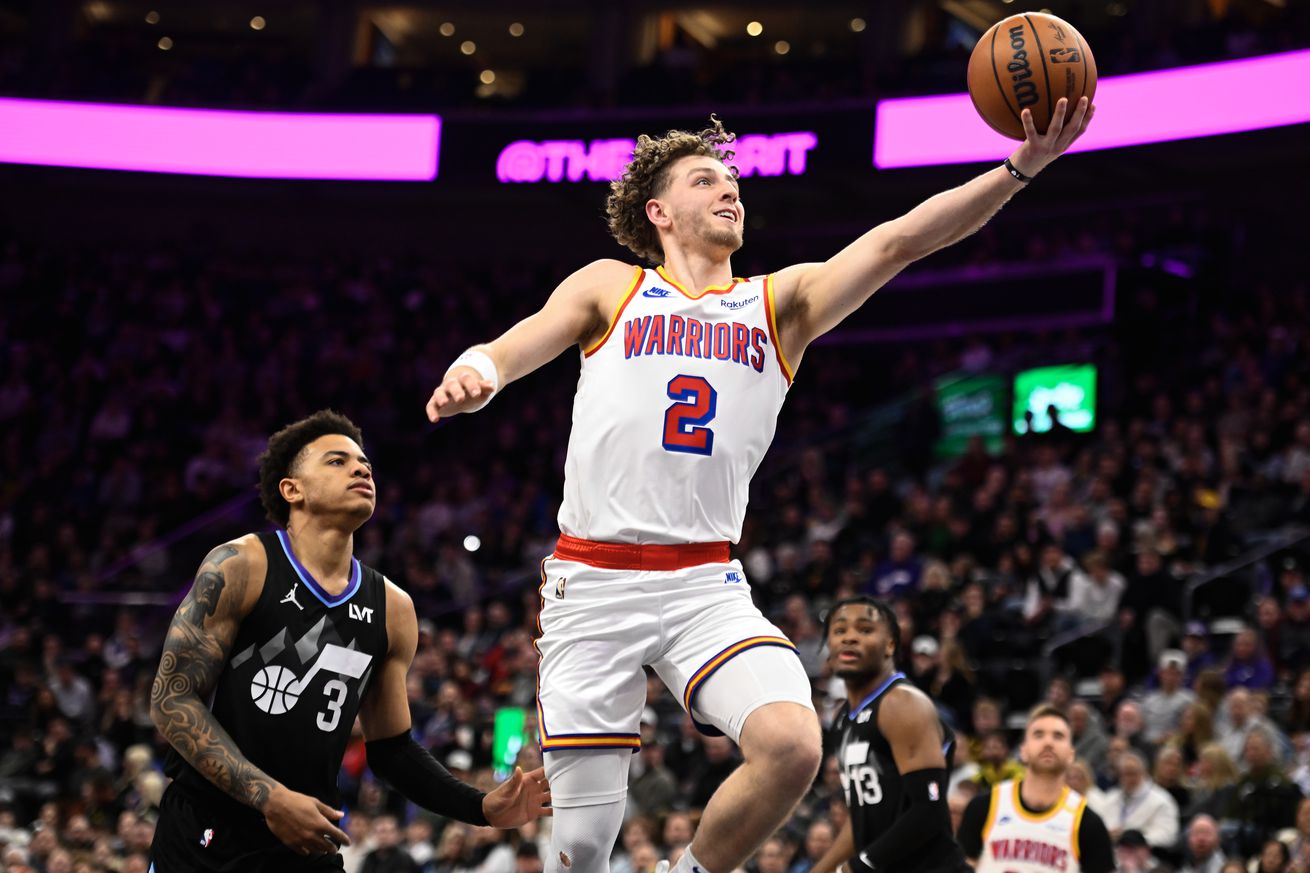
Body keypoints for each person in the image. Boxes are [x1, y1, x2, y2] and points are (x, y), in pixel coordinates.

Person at [425, 100, 1094, 873]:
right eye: (706, 179)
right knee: (580, 845)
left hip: (704, 581)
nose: (729, 189)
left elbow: (901, 240)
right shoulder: (613, 287)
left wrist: (1019, 170)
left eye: (734, 180)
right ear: (659, 210)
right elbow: (511, 346)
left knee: (793, 744)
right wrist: (477, 372)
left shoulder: (778, 304)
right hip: (594, 580)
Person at [148, 411, 549, 872]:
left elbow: (392, 749)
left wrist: (479, 807)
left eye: (365, 464)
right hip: (204, 835)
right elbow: (171, 700)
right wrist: (270, 797)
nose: (361, 469)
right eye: (337, 462)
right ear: (291, 489)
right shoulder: (242, 565)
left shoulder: (393, 608)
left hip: (306, 838)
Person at [811, 596, 970, 873]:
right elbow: (862, 820)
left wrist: (860, 865)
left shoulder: (902, 703)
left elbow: (928, 811)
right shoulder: (843, 720)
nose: (849, 638)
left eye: (864, 629)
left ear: (890, 645)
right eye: (839, 631)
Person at [957, 705, 1115, 873]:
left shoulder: (1088, 823)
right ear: (1023, 751)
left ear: (1071, 754)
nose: (1048, 742)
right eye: (1038, 735)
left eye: (1058, 736)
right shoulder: (984, 807)